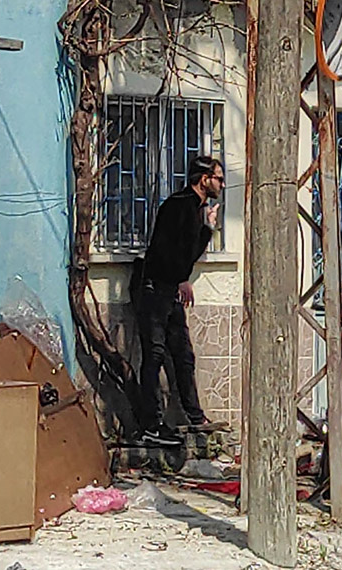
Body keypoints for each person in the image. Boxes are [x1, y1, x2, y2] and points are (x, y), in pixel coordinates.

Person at [134, 155, 224, 447]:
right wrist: (179, 276)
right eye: (218, 178)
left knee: (183, 356)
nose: (221, 184)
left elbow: (186, 254)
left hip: (169, 288)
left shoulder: (196, 209)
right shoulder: (179, 205)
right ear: (203, 179)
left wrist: (207, 228)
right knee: (155, 355)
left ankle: (195, 417)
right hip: (155, 288)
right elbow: (166, 251)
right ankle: (150, 424)